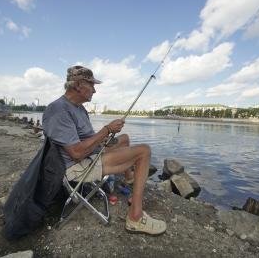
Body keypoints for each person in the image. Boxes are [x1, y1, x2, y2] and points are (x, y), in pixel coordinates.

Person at [42, 65, 166, 236]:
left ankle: (130, 179)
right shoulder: (58, 109)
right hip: (77, 167)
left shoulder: (79, 108)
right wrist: (106, 130)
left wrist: (106, 138)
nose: (94, 90)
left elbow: (85, 139)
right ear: (78, 85)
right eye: (92, 85)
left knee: (124, 139)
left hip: (89, 154)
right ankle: (135, 217)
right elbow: (76, 153)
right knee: (144, 151)